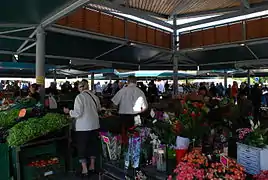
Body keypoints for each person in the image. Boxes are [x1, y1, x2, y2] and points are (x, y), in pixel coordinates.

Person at [63, 79, 101, 177]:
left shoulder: (79, 97)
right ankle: (92, 166)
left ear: (81, 87)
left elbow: (78, 113)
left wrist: (69, 112)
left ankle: (84, 169)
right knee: (93, 145)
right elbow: (98, 109)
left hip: (83, 127)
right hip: (95, 125)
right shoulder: (95, 97)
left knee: (82, 147)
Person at [112, 76, 148, 144]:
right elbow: (145, 107)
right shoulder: (140, 92)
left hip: (124, 116)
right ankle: (134, 149)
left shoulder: (122, 91)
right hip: (136, 116)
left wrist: (117, 108)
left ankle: (125, 147)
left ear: (127, 81)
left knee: (124, 135)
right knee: (136, 134)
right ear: (136, 82)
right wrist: (139, 112)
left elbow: (114, 103)